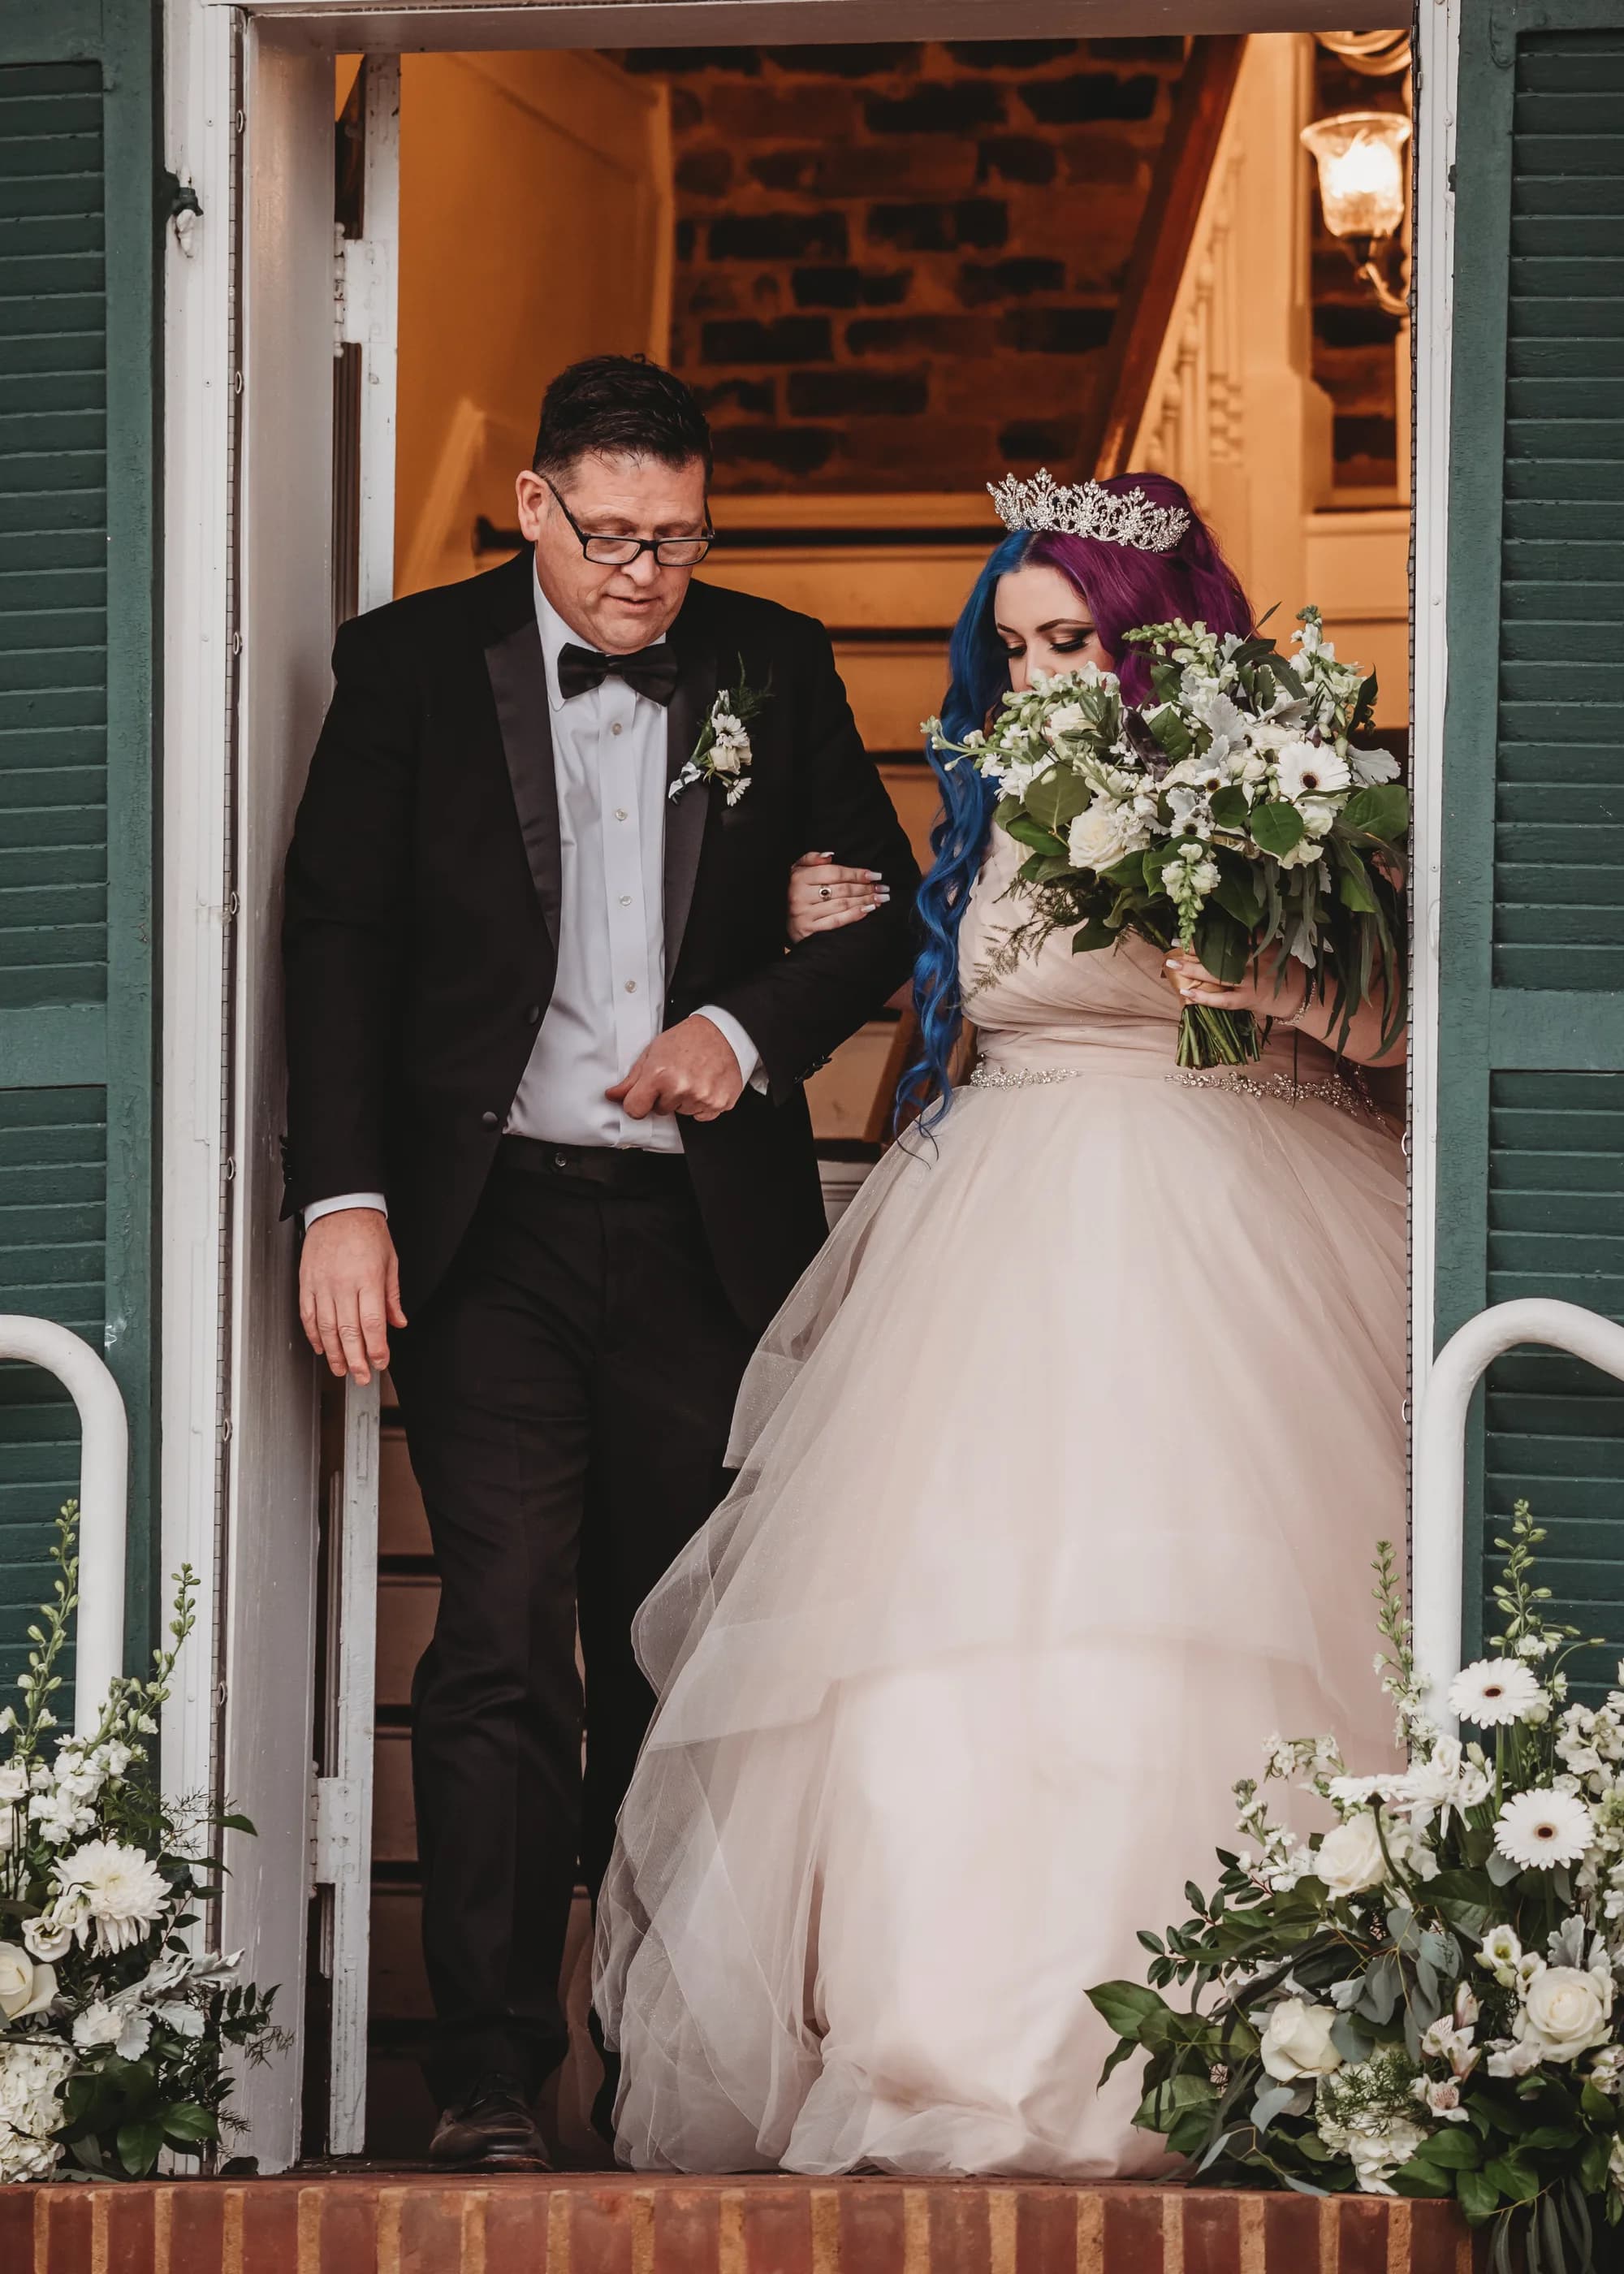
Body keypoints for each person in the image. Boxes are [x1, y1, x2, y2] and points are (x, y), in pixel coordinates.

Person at [594, 472, 1406, 2178]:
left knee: (1177, 1619)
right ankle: (942, 2039)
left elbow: (1398, 1022)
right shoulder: (995, 805)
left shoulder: (1275, 787)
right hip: (990, 1245)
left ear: (1158, 641)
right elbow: (955, 1019)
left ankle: (1193, 2042)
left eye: (1075, 640)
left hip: (1208, 1229)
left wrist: (1263, 979)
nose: (1041, 675)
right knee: (935, 1644)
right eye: (1018, 645)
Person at [281, 355, 918, 2171]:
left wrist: (744, 1017)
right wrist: (341, 1194)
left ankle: (659, 2059)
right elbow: (337, 936)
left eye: (679, 538)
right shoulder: (407, 664)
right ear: (532, 504)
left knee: (677, 1656)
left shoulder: (774, 660)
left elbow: (876, 905)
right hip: (488, 1238)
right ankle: (487, 2068)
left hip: (705, 1240)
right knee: (498, 1638)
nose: (648, 573)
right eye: (614, 535)